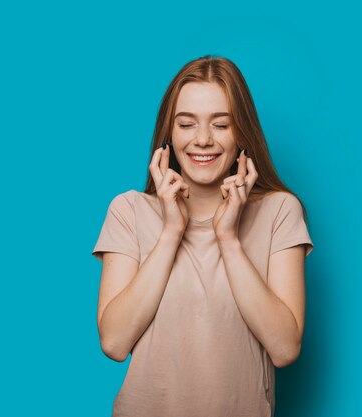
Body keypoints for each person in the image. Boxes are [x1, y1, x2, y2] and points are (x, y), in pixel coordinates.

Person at [91, 55, 314, 417]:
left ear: (242, 132)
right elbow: (114, 342)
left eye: (221, 124)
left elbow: (285, 347)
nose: (203, 140)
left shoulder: (279, 212)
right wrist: (171, 232)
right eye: (187, 124)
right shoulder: (128, 211)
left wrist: (228, 238)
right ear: (169, 135)